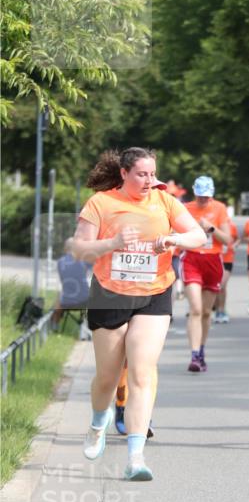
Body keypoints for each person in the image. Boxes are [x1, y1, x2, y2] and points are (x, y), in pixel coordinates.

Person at [70, 147, 206, 481]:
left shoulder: (165, 201)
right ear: (124, 174)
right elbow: (80, 249)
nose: (149, 181)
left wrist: (174, 239)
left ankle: (135, 457)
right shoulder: (101, 204)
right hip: (109, 295)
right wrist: (111, 243)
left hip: (154, 295)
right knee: (107, 375)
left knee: (142, 372)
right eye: (142, 175)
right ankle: (97, 425)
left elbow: (199, 236)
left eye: (152, 174)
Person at [181, 176, 231, 371]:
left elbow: (227, 239)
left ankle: (201, 350)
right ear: (195, 193)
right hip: (192, 259)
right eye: (200, 196)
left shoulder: (219, 208)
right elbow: (176, 233)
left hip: (212, 260)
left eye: (207, 197)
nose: (204, 200)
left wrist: (212, 228)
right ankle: (193, 356)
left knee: (206, 312)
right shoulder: (185, 209)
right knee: (195, 308)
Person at [214, 217, 238, 323]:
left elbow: (237, 238)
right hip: (215, 258)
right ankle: (216, 308)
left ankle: (221, 310)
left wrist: (234, 245)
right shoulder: (212, 226)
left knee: (222, 285)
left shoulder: (231, 226)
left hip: (227, 259)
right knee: (216, 287)